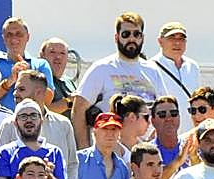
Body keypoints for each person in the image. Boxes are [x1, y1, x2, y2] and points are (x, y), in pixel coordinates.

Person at [70, 11, 169, 149]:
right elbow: (79, 109)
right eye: (126, 34)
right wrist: (84, 149)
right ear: (116, 38)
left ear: (143, 38)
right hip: (111, 153)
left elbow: (164, 109)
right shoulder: (102, 68)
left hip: (146, 154)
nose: (131, 39)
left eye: (137, 34)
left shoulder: (153, 70)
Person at [149, 23, 200, 133]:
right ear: (160, 41)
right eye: (172, 38)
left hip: (191, 134)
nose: (177, 43)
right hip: (164, 134)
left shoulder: (193, 66)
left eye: (181, 39)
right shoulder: (150, 67)